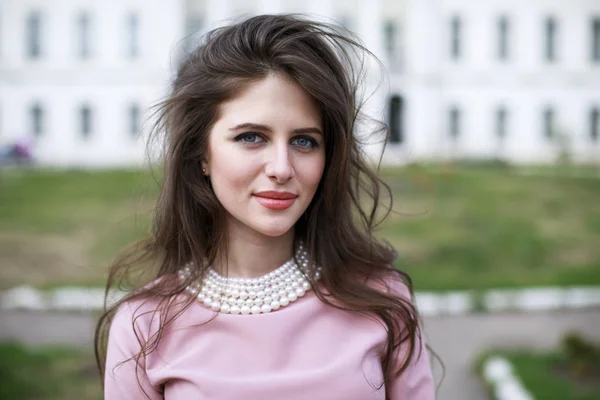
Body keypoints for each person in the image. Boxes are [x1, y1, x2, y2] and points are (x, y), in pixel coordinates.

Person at [95, 14, 437, 399]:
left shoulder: (383, 300)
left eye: (304, 141)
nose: (281, 168)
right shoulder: (144, 326)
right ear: (200, 153)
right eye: (252, 137)